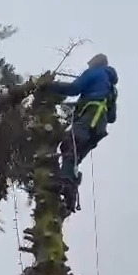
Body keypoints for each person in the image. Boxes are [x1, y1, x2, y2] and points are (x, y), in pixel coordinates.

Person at [50, 53, 118, 196]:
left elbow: (74, 88)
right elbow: (112, 117)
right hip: (100, 125)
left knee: (71, 143)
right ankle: (70, 193)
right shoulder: (111, 88)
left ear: (95, 63)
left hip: (91, 115)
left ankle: (65, 182)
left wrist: (51, 87)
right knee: (75, 155)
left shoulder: (95, 72)